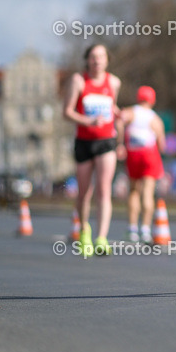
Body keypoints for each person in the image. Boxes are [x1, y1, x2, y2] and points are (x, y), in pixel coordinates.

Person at [63, 44, 121, 258]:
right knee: (84, 192)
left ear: (107, 60)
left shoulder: (113, 82)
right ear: (87, 60)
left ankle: (102, 238)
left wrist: (117, 114)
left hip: (106, 140)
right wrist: (88, 120)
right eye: (93, 57)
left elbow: (110, 106)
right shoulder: (78, 81)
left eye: (101, 57)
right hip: (84, 141)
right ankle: (84, 230)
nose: (97, 61)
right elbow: (66, 112)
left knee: (104, 190)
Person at [118, 85, 166, 244]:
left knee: (133, 191)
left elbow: (119, 120)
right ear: (152, 100)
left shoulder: (131, 112)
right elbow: (162, 144)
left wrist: (120, 143)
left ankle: (132, 229)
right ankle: (145, 230)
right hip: (149, 154)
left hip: (133, 153)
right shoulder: (155, 119)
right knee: (148, 193)